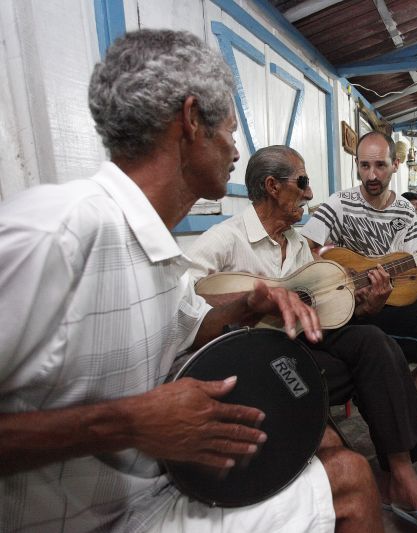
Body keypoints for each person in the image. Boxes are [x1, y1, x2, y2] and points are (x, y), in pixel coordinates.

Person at [0, 29, 383, 533]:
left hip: (148, 494)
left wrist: (248, 302)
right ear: (190, 121)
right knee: (351, 482)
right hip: (85, 521)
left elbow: (192, 329)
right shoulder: (54, 233)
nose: (234, 149)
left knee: (332, 451)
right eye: (228, 130)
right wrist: (127, 422)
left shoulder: (155, 246)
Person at [187, 145, 417, 533]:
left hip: (298, 344)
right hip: (252, 364)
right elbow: (186, 295)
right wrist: (252, 301)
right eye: (302, 182)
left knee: (373, 341)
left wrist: (368, 305)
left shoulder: (297, 244)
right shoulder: (228, 237)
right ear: (272, 187)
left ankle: (401, 474)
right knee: (309, 380)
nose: (310, 193)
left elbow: (320, 311)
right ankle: (364, 478)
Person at [302, 132, 417, 472]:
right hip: (358, 308)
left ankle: (413, 392)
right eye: (364, 166)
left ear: (395, 165)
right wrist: (331, 259)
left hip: (396, 297)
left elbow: (413, 263)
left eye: (380, 166)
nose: (372, 175)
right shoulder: (340, 203)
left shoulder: (405, 210)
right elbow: (307, 248)